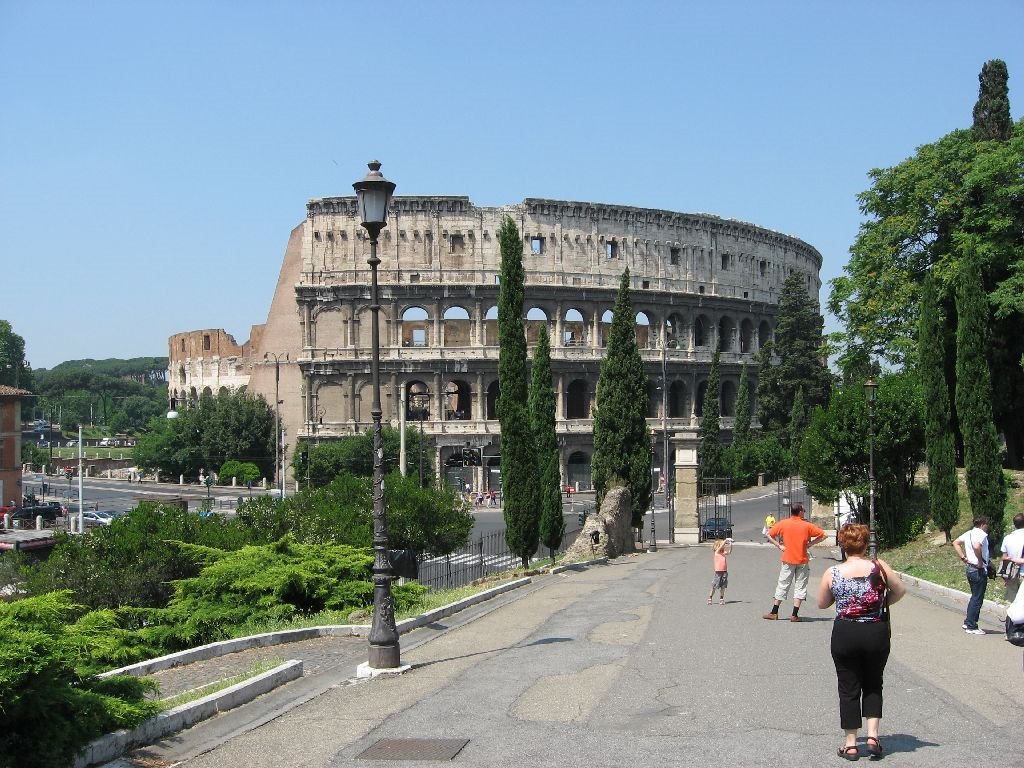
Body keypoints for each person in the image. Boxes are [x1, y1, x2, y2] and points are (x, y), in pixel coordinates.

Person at [817, 523, 906, 761]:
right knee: (873, 682)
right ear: (866, 544)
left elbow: (822, 603)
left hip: (845, 632)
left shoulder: (832, 573)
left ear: (843, 546)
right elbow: (900, 590)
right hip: (875, 631)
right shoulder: (879, 567)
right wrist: (880, 604)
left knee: (848, 687)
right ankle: (873, 737)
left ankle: (851, 744)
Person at [763, 503, 826, 622]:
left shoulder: (784, 523)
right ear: (800, 512)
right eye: (804, 510)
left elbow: (769, 534)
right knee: (800, 586)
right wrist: (810, 544)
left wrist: (779, 545)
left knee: (783, 583)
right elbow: (823, 535)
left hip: (788, 558)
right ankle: (794, 614)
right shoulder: (807, 525)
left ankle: (774, 612)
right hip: (802, 559)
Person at [952, 516, 991, 634]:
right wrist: (980, 560)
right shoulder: (981, 534)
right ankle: (971, 626)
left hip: (970, 568)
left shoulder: (969, 533)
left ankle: (968, 621)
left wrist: (963, 557)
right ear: (983, 524)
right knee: (977, 598)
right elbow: (976, 546)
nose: (987, 526)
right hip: (978, 569)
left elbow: (956, 543)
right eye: (987, 524)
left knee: (974, 596)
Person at [998, 513, 1024, 603]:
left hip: (1012, 573)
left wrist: (1005, 577)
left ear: (1014, 524)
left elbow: (1004, 558)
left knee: (1012, 602)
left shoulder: (1007, 538)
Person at [707, 538, 733, 605]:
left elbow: (729, 552)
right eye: (721, 545)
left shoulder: (723, 553)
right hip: (718, 572)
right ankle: (710, 598)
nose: (723, 546)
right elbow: (721, 546)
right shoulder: (716, 553)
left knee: (723, 586)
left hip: (724, 571)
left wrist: (731, 545)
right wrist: (725, 540)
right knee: (714, 585)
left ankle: (721, 598)